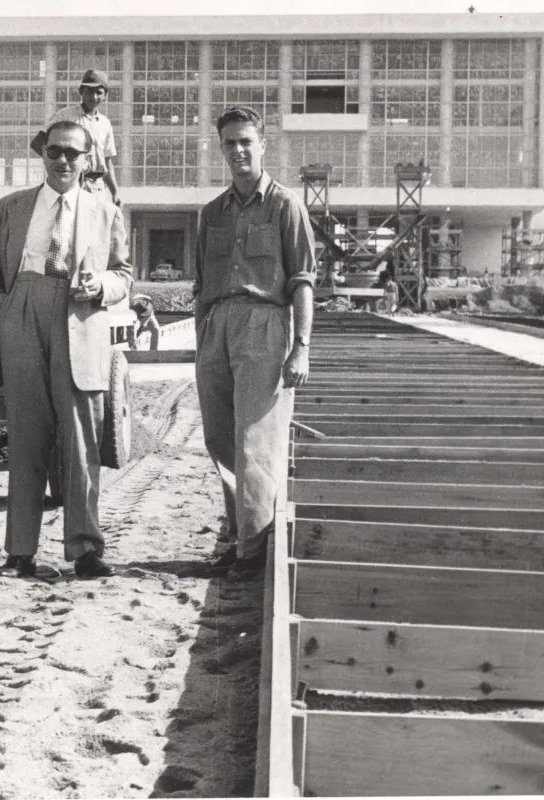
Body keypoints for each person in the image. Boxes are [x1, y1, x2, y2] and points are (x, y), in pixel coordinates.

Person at [0, 120, 133, 579]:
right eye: (54, 152)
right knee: (26, 438)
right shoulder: (9, 210)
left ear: (89, 160)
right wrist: (6, 311)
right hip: (23, 311)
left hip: (81, 318)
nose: (62, 161)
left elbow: (124, 274)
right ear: (41, 154)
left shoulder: (106, 211)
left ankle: (85, 550)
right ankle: (20, 552)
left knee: (82, 437)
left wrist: (100, 284)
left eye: (72, 153)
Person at [194, 106, 315, 574]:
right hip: (216, 327)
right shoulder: (211, 213)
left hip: (265, 325)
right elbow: (202, 282)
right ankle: (240, 534)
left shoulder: (286, 205)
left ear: (263, 145)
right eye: (230, 143)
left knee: (255, 442)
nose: (239, 150)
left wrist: (301, 346)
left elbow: (302, 280)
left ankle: (254, 551)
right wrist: (204, 337)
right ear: (221, 148)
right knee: (220, 438)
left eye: (247, 141)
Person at [37, 69, 120, 204]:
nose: (93, 97)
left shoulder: (105, 123)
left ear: (105, 95)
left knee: (96, 223)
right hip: (72, 184)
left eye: (99, 93)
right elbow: (38, 143)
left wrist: (115, 191)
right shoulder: (65, 115)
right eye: (89, 91)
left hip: (97, 187)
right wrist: (59, 168)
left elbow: (107, 160)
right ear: (81, 92)